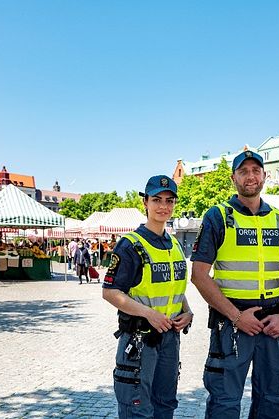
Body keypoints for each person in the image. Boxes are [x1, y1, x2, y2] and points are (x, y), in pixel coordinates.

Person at [190, 150, 279, 418]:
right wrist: (237, 316)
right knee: (224, 403)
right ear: (233, 178)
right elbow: (199, 275)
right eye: (243, 171)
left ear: (265, 176)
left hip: (272, 324)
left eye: (255, 170)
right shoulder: (218, 217)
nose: (250, 176)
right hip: (231, 325)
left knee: (272, 400)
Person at [102, 175, 193, 418]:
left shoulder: (174, 244)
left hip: (170, 338)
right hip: (141, 339)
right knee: (137, 408)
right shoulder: (130, 245)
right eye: (157, 200)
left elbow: (174, 288)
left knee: (165, 405)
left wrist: (187, 311)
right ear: (145, 203)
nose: (163, 206)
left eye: (169, 200)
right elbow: (109, 292)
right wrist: (148, 313)